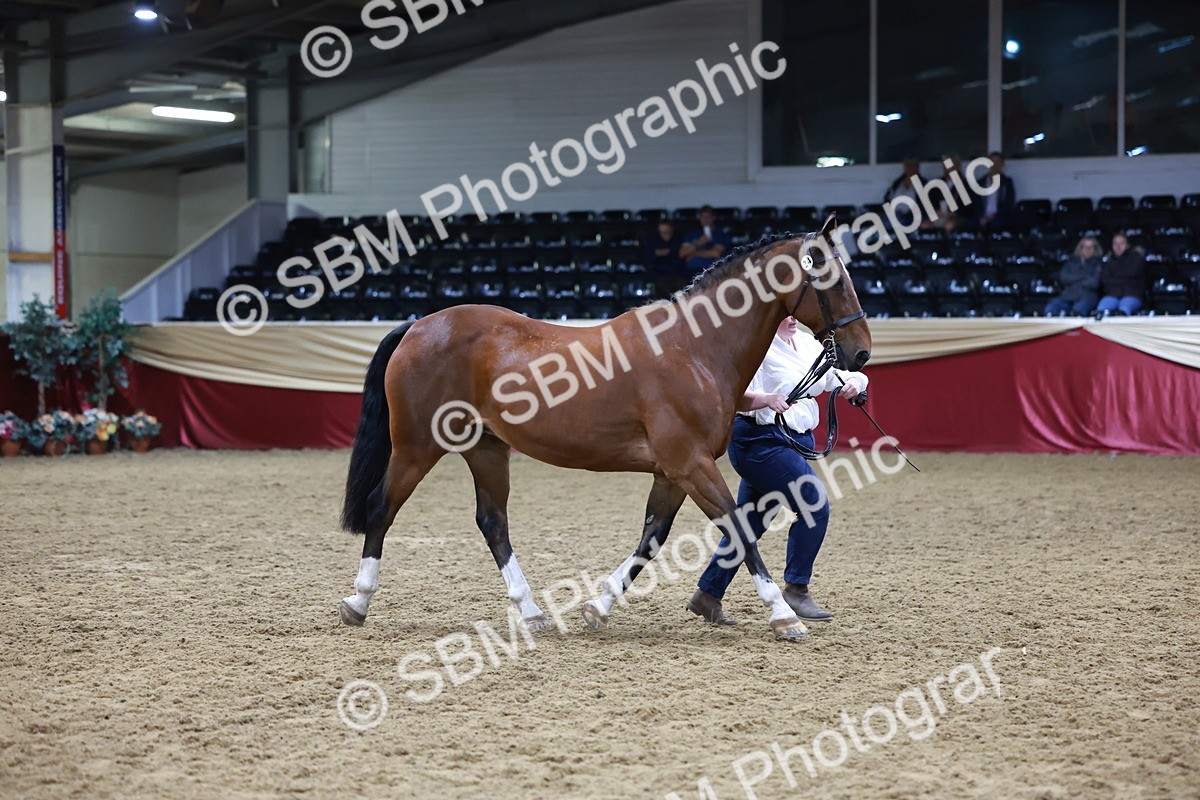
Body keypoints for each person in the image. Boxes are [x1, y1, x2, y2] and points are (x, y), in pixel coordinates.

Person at [687, 315, 868, 626]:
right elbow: (733, 396)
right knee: (814, 505)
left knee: (750, 523)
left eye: (795, 314)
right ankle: (797, 588)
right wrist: (766, 399)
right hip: (761, 442)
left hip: (791, 440)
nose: (793, 319)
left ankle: (708, 594)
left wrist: (854, 383)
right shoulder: (755, 346)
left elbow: (832, 376)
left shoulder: (807, 343)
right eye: (786, 314)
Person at [1044, 237, 1103, 316]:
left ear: (1095, 249)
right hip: (1068, 296)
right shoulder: (1071, 262)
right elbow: (1064, 278)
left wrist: (1073, 280)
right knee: (1051, 307)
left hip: (1087, 297)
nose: (1087, 250)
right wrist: (1084, 276)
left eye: (1090, 247)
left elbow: (1094, 283)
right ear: (1080, 248)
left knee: (1078, 310)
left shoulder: (1098, 264)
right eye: (1085, 247)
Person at [1096, 232, 1145, 316]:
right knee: (1101, 310)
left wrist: (1115, 278)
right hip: (1112, 294)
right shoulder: (1107, 260)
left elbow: (1133, 273)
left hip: (1132, 294)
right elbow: (1105, 280)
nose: (1118, 246)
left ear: (1127, 245)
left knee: (1123, 310)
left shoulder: (1136, 258)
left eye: (1122, 243)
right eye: (1115, 243)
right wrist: (1125, 279)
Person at [969, 152, 1016, 231]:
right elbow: (976, 203)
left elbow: (1009, 204)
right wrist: (981, 217)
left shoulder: (1007, 183)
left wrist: (995, 216)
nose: (994, 165)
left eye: (997, 162)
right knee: (971, 224)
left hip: (999, 216)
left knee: (997, 223)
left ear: (1002, 164)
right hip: (982, 215)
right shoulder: (980, 182)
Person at [679, 206, 730, 273]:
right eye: (702, 217)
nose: (705, 220)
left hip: (712, 271)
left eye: (708, 217)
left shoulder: (720, 234)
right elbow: (682, 253)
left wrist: (693, 253)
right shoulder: (692, 234)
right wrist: (699, 243)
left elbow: (716, 253)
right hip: (691, 271)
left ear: (713, 217)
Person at [921, 154, 963, 235]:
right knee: (924, 226)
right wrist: (935, 211)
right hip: (938, 216)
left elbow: (969, 209)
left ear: (958, 166)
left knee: (948, 226)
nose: (950, 168)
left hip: (956, 217)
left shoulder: (966, 185)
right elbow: (929, 202)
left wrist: (953, 214)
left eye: (953, 165)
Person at [884, 158, 924, 228]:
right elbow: (887, 198)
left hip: (913, 216)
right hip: (895, 215)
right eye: (908, 166)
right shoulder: (897, 183)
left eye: (912, 165)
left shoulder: (923, 184)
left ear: (917, 167)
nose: (910, 168)